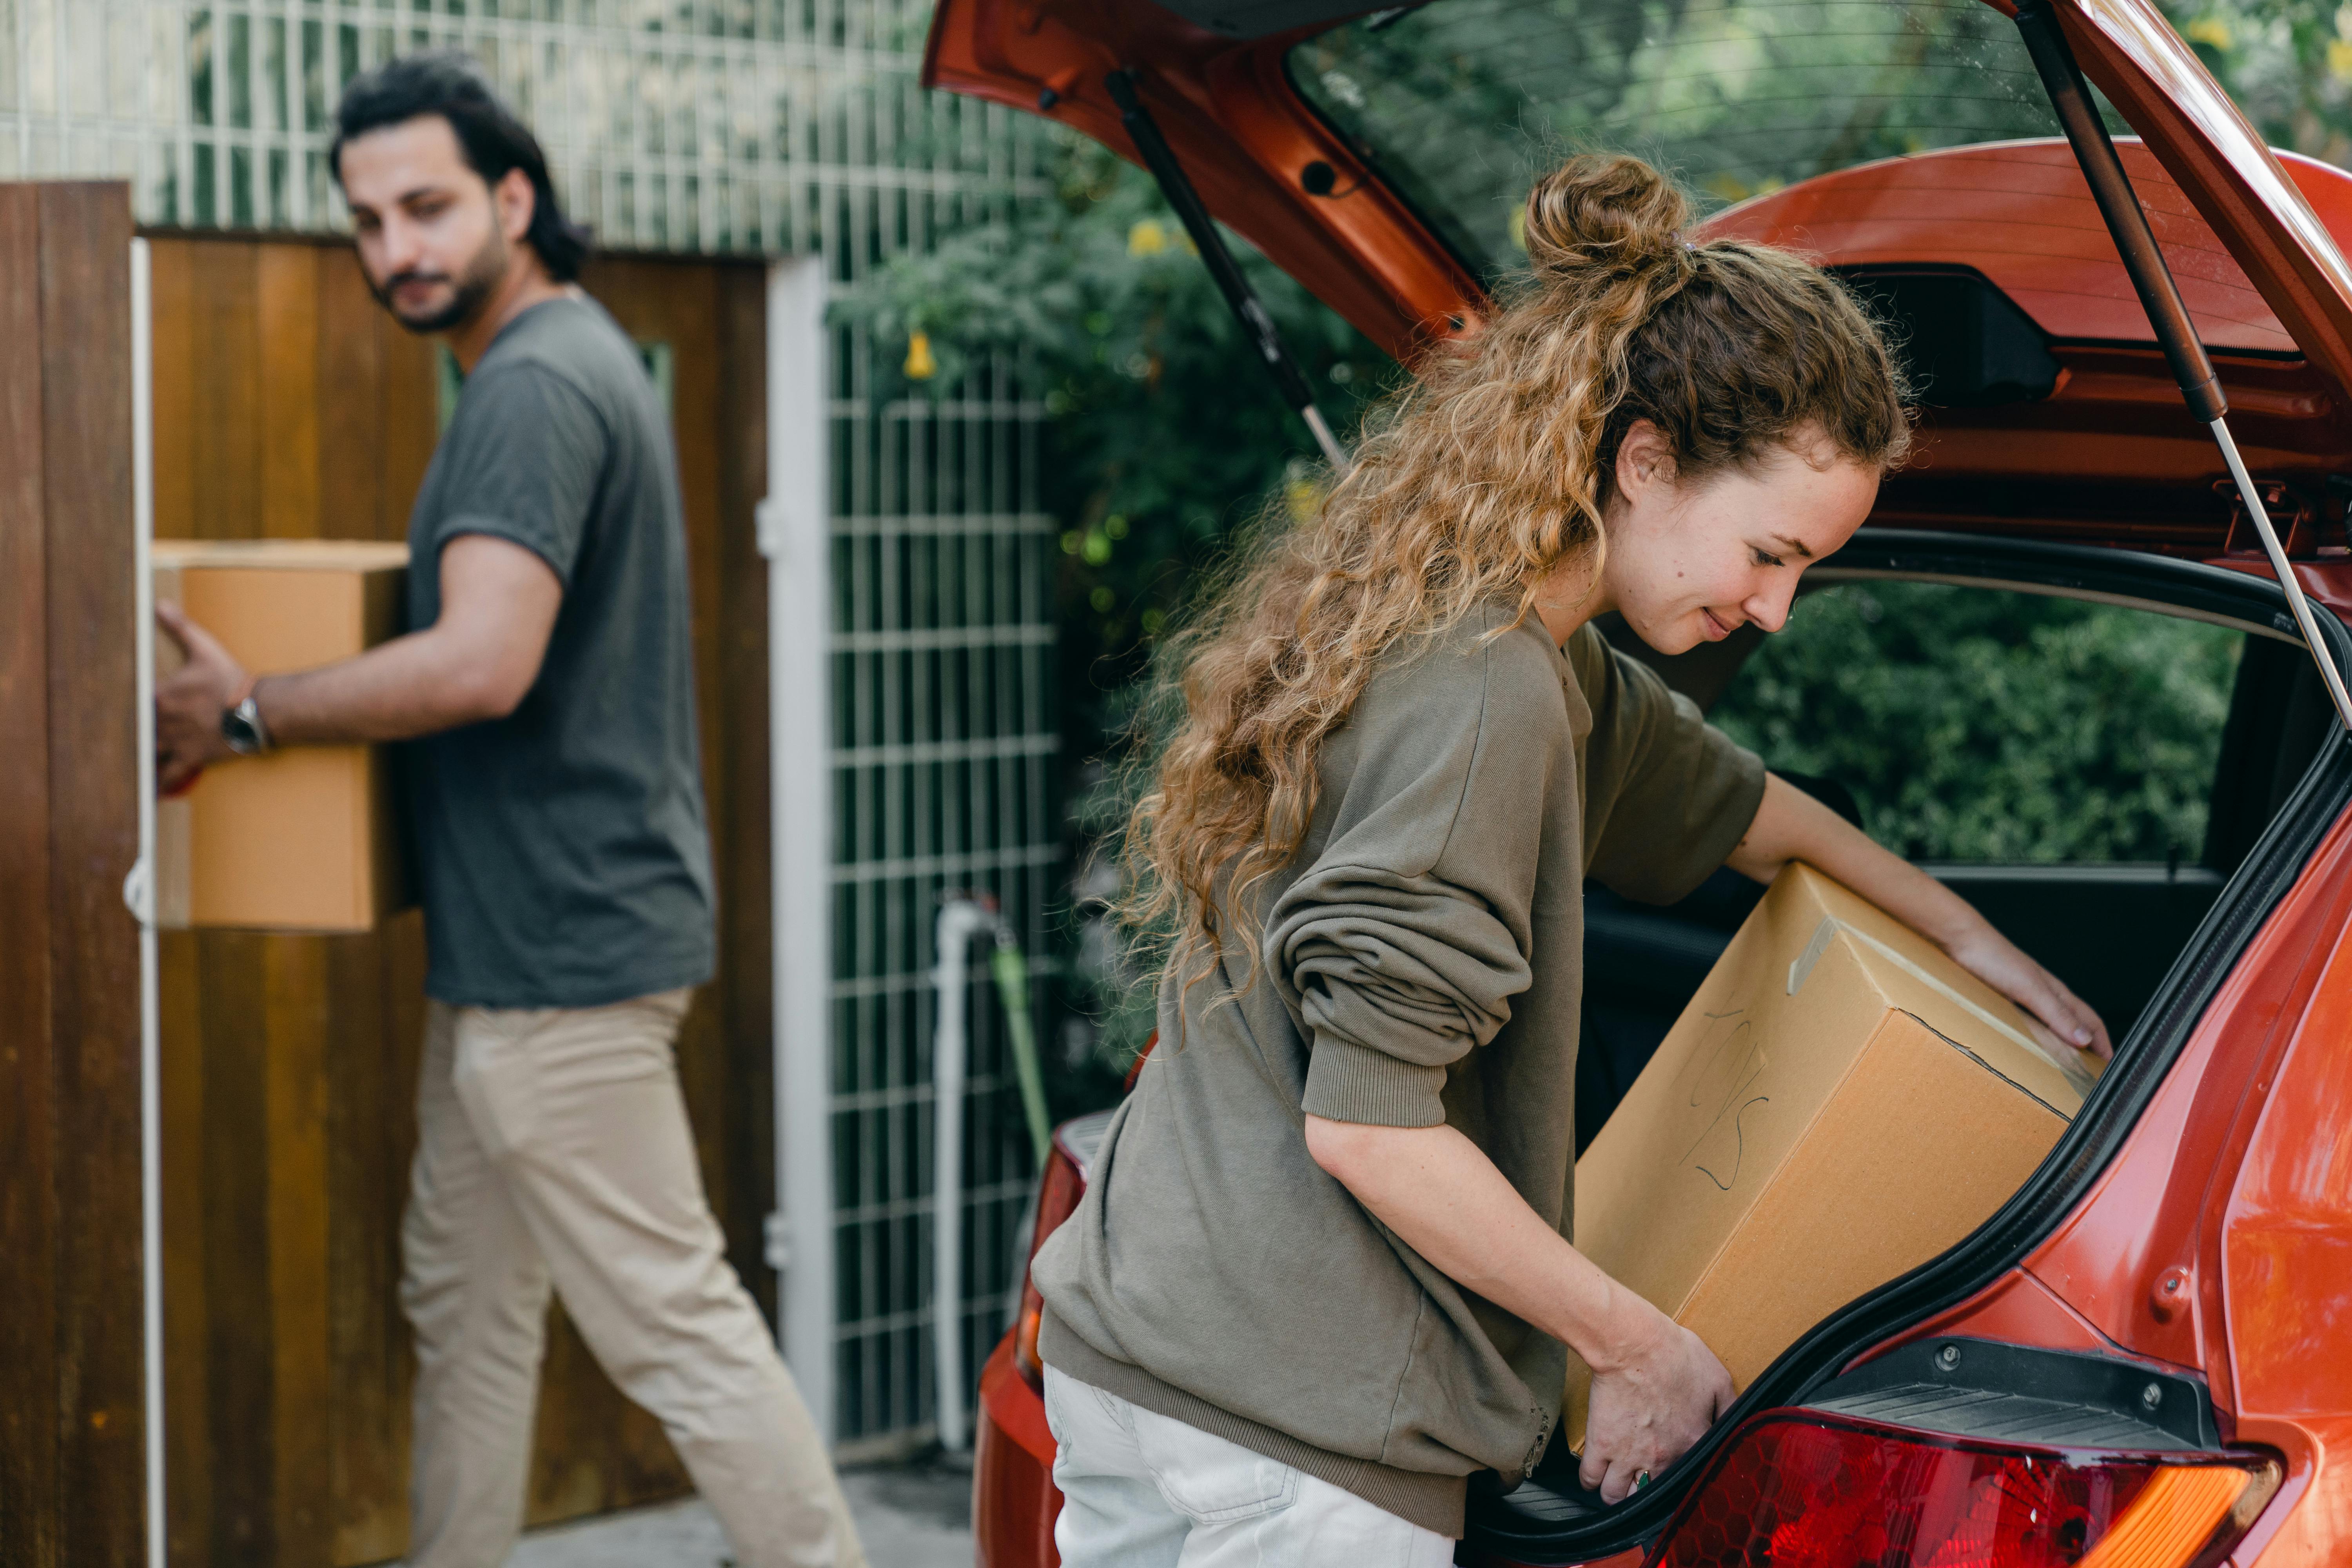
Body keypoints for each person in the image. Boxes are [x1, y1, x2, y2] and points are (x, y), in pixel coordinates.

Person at [1032, 153, 2113, 1565]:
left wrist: (1976, 944)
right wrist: (1634, 1343)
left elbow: (1750, 812)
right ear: (1646, 461)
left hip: (1143, 1357)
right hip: (1294, 1441)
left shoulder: (1488, 636)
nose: (1777, 610)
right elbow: (1369, 1129)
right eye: (1770, 552)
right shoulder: (1485, 699)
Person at [151, 53, 864, 1568]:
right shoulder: (562, 358)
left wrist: (252, 710)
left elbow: (484, 661)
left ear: (514, 198)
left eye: (426, 206)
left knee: (675, 1327)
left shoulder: (535, 381)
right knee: (464, 1304)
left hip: (564, 967)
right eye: (368, 220)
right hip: (508, 962)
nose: (394, 248)